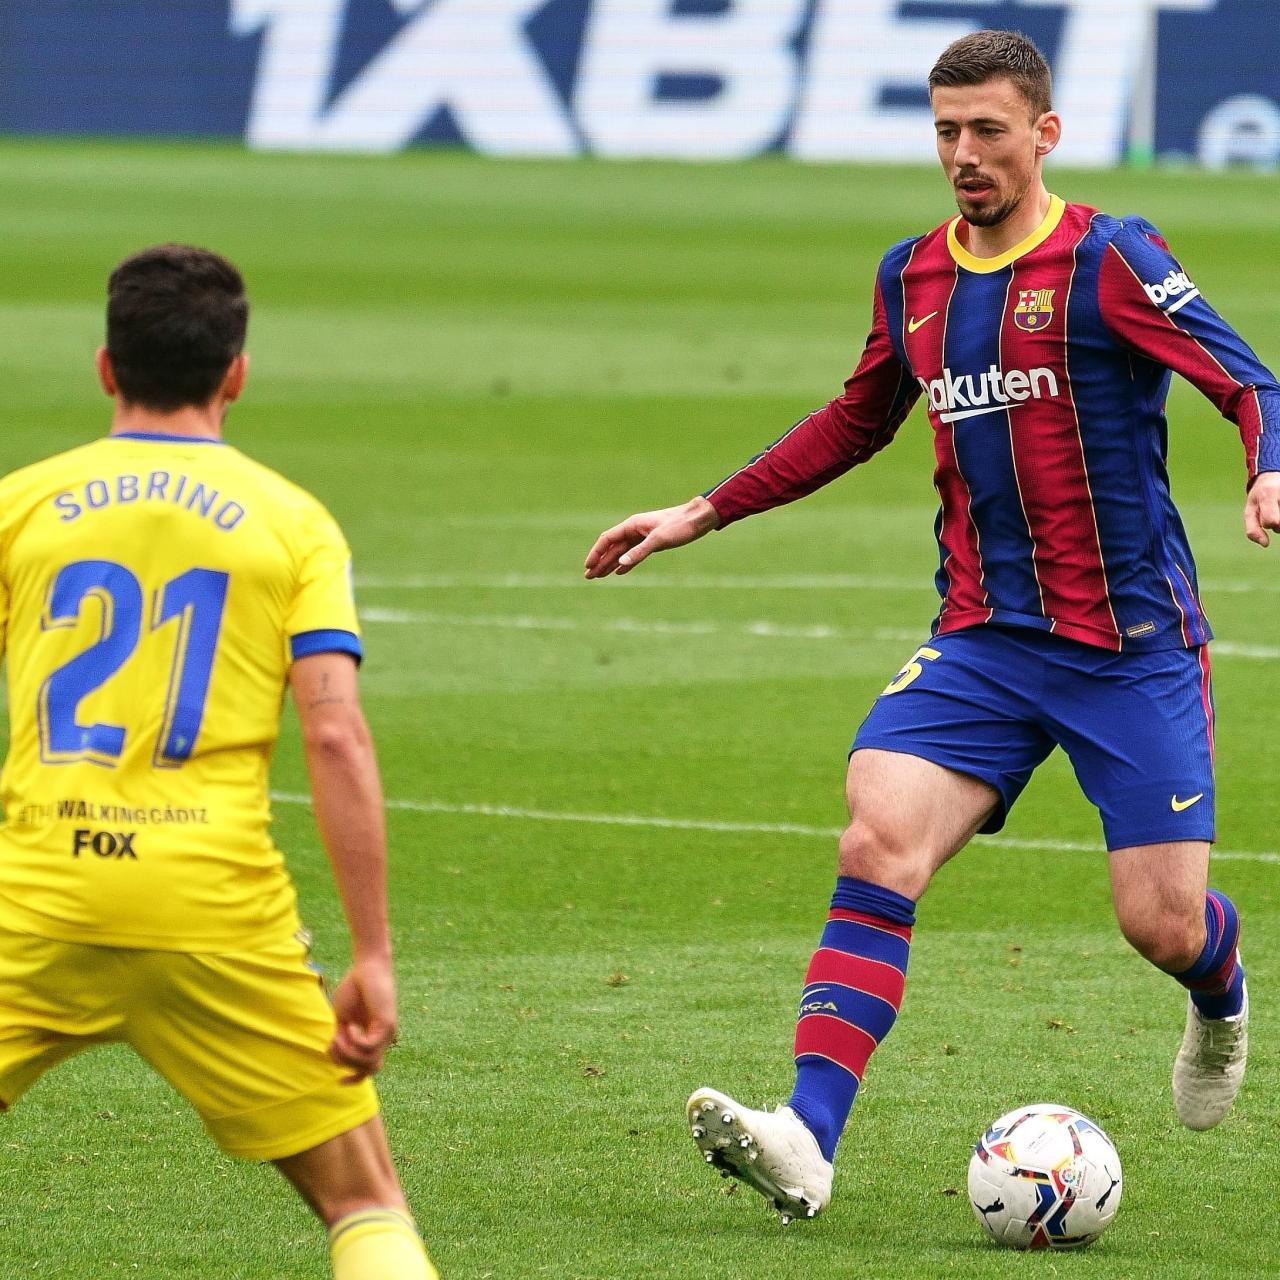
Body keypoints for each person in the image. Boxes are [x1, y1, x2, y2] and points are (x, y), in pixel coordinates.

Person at [584, 29, 1280, 1224]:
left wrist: (1267, 468)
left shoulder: (1110, 259)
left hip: (1131, 649)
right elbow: (856, 416)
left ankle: (1217, 996)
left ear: (1043, 135)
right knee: (876, 836)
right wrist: (704, 509)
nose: (963, 155)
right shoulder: (912, 275)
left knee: (1156, 918)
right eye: (946, 132)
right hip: (984, 640)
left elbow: (1247, 379)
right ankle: (806, 1132)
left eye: (988, 132)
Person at [0, 245, 438, 1278]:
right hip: (213, 906)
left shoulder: (21, 504)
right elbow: (334, 733)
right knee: (364, 1201)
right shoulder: (293, 522)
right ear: (236, 371)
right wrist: (370, 953)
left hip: (36, 890)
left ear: (105, 367)